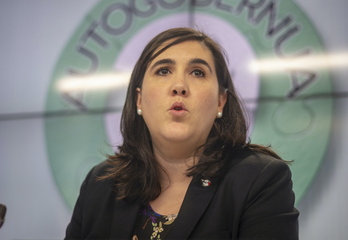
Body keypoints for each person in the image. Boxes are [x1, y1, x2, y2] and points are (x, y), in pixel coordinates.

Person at [65, 27, 299, 240]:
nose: (179, 85)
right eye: (163, 70)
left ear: (221, 101)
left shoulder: (259, 179)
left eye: (197, 72)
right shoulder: (101, 183)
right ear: (139, 100)